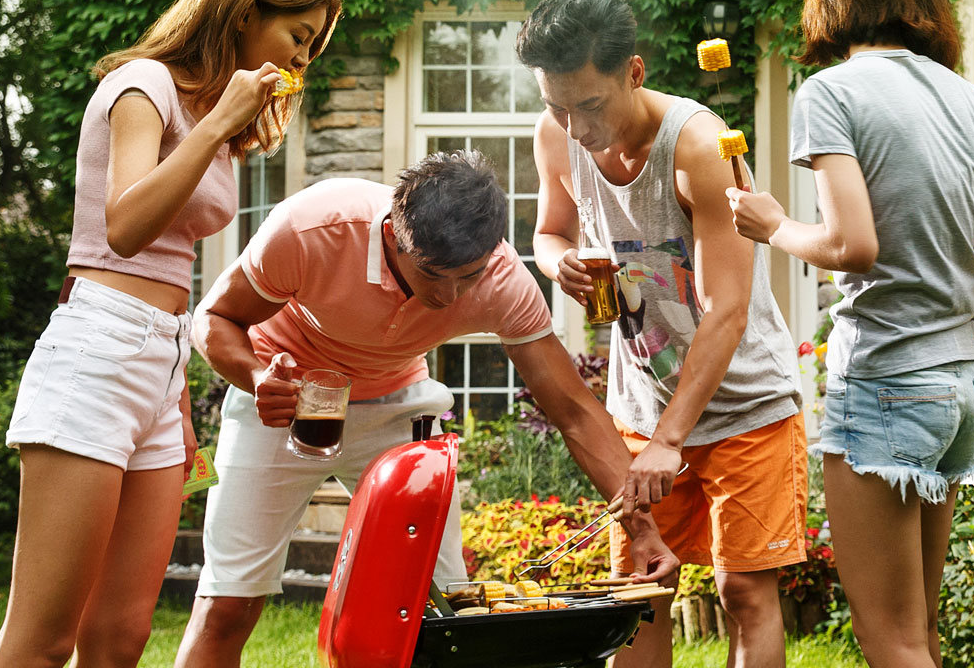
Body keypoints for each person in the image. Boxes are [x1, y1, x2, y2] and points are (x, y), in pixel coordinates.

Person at [173, 151, 680, 668]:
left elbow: (573, 410)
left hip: (398, 406)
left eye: (469, 276)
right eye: (434, 274)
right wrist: (257, 377)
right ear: (392, 235)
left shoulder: (502, 280)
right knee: (227, 604)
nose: (450, 295)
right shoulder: (312, 228)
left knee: (439, 615)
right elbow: (214, 318)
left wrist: (644, 532)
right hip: (284, 402)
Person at [0, 0, 339, 668]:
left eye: (313, 47)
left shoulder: (218, 128)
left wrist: (176, 399)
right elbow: (124, 226)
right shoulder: (143, 85)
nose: (303, 59)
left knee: (121, 639)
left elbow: (175, 264)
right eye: (298, 36)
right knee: (41, 644)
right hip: (98, 351)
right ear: (246, 12)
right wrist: (216, 123)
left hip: (161, 360)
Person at [726, 0, 974, 668]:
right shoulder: (969, 99)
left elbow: (853, 246)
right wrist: (972, 320)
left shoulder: (830, 93)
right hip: (960, 385)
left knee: (891, 641)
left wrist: (774, 227)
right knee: (921, 632)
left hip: (883, 383)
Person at [520, 0, 806, 668]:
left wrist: (670, 441)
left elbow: (726, 309)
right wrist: (560, 265)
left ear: (634, 72)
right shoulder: (556, 134)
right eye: (558, 107)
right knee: (638, 590)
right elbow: (549, 233)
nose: (576, 129)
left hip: (746, 406)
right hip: (641, 407)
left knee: (745, 594)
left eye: (590, 106)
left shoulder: (700, 148)